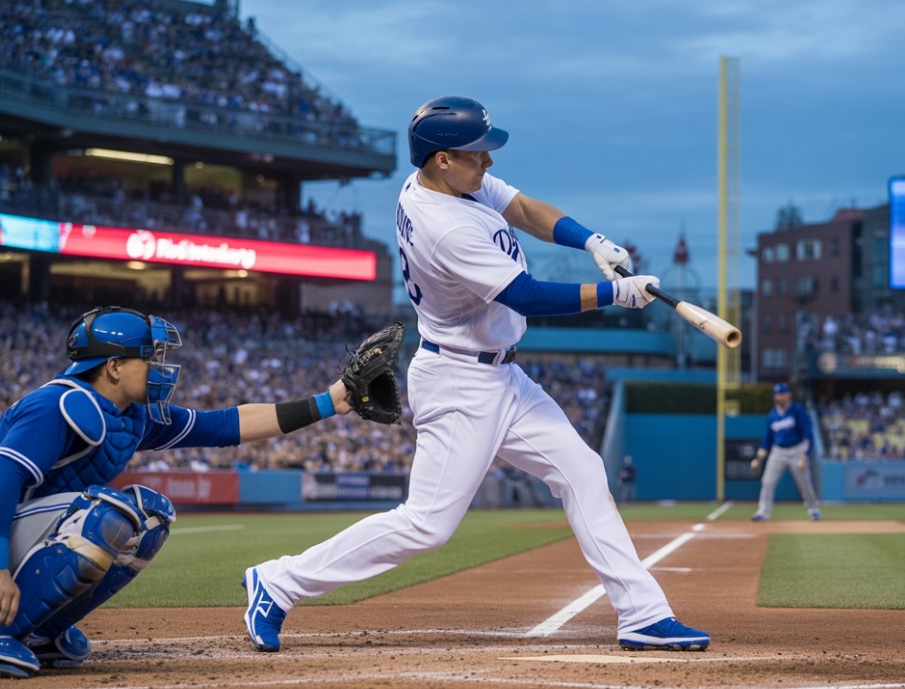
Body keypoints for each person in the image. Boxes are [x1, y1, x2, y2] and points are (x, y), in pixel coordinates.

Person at [242, 96, 709, 653]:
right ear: (442, 159)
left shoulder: (446, 181)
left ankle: (642, 614)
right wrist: (616, 293)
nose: (487, 163)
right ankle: (277, 581)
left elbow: (524, 209)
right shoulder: (444, 225)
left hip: (502, 377)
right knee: (426, 525)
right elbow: (526, 295)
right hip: (461, 383)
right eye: (477, 154)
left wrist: (590, 240)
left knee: (582, 471)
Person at [0, 306, 357, 679]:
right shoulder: (59, 404)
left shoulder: (133, 414)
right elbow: (1, 477)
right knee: (105, 511)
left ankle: (42, 630)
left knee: (150, 516)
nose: (161, 367)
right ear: (113, 366)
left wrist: (328, 402)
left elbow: (227, 425)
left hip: (0, 532)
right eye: (150, 357)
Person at [751, 383, 821, 521]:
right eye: (777, 394)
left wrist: (804, 455)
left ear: (788, 395)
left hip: (796, 450)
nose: (779, 397)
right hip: (778, 451)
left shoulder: (797, 410)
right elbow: (767, 440)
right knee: (767, 481)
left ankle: (813, 509)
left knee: (805, 482)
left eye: (781, 394)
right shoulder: (772, 415)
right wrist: (758, 459)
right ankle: (763, 512)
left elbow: (807, 433)